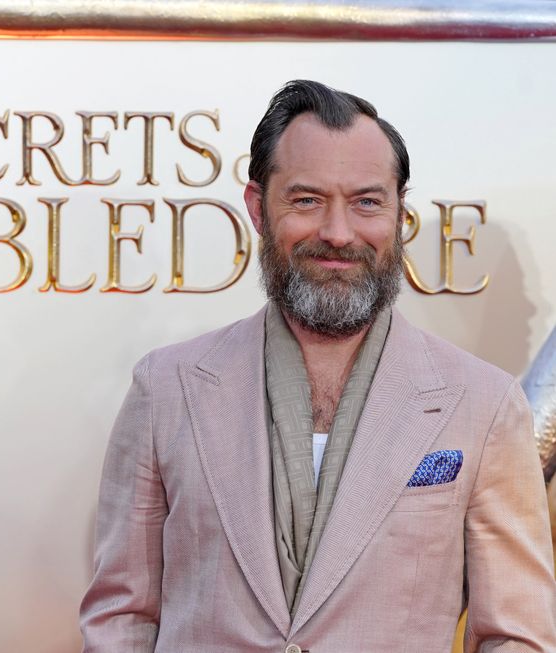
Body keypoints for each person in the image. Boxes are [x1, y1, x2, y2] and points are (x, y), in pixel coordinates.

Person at [79, 80, 556, 652]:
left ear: (399, 213)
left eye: (367, 201)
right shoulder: (166, 389)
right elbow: (121, 617)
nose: (337, 232)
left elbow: (516, 635)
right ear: (258, 208)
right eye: (306, 200)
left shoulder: (483, 404)